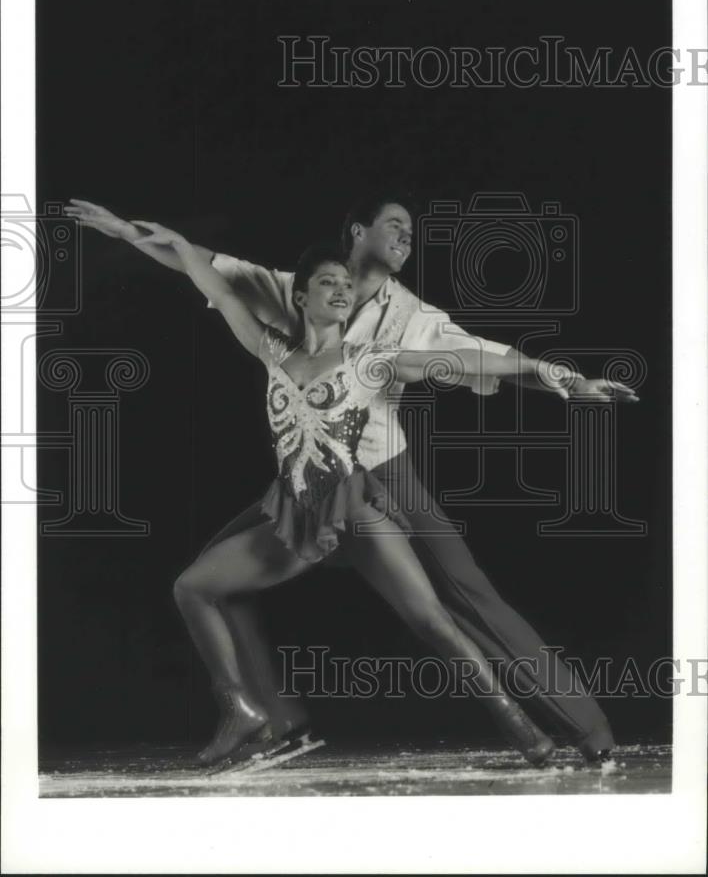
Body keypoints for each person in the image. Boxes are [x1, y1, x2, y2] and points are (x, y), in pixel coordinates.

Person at [65, 195, 638, 764]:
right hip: (303, 489)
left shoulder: (408, 323)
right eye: (395, 226)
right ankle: (269, 718)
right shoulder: (291, 296)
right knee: (211, 577)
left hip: (383, 472)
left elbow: (485, 359)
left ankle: (586, 730)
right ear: (356, 232)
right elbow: (206, 268)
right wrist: (125, 232)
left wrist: (569, 380)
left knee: (459, 599)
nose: (407, 237)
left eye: (412, 233)